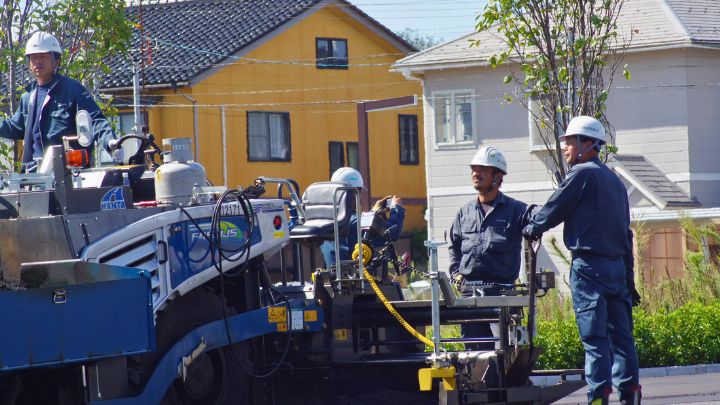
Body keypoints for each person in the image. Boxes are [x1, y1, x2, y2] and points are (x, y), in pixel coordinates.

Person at [522, 116, 641, 405]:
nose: (564, 148)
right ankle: (631, 397)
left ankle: (597, 398)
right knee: (622, 339)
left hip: (589, 268)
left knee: (595, 340)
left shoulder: (581, 174)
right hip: (617, 268)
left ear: (587, 144)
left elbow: (553, 209)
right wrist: (629, 280)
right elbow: (626, 235)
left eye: (568, 142)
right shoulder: (614, 181)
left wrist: (530, 227)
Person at [448, 146, 532, 351]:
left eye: (482, 169)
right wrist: (456, 274)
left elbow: (540, 219)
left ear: (498, 176)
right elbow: (454, 246)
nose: (476, 173)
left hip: (501, 294)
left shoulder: (516, 210)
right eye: (474, 169)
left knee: (506, 352)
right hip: (470, 294)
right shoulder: (464, 212)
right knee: (473, 355)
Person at [0, 31, 117, 171]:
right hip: (35, 175)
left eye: (43, 56)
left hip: (69, 174)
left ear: (57, 60)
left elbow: (95, 120)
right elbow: (16, 127)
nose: (38, 61)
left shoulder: (72, 89)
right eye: (33, 57)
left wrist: (110, 142)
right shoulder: (28, 95)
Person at [320, 167, 405, 267]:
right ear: (352, 193)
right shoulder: (353, 222)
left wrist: (373, 212)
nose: (359, 196)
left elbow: (361, 228)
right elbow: (392, 232)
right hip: (353, 277)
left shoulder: (327, 219)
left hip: (332, 276)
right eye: (359, 192)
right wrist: (397, 210)